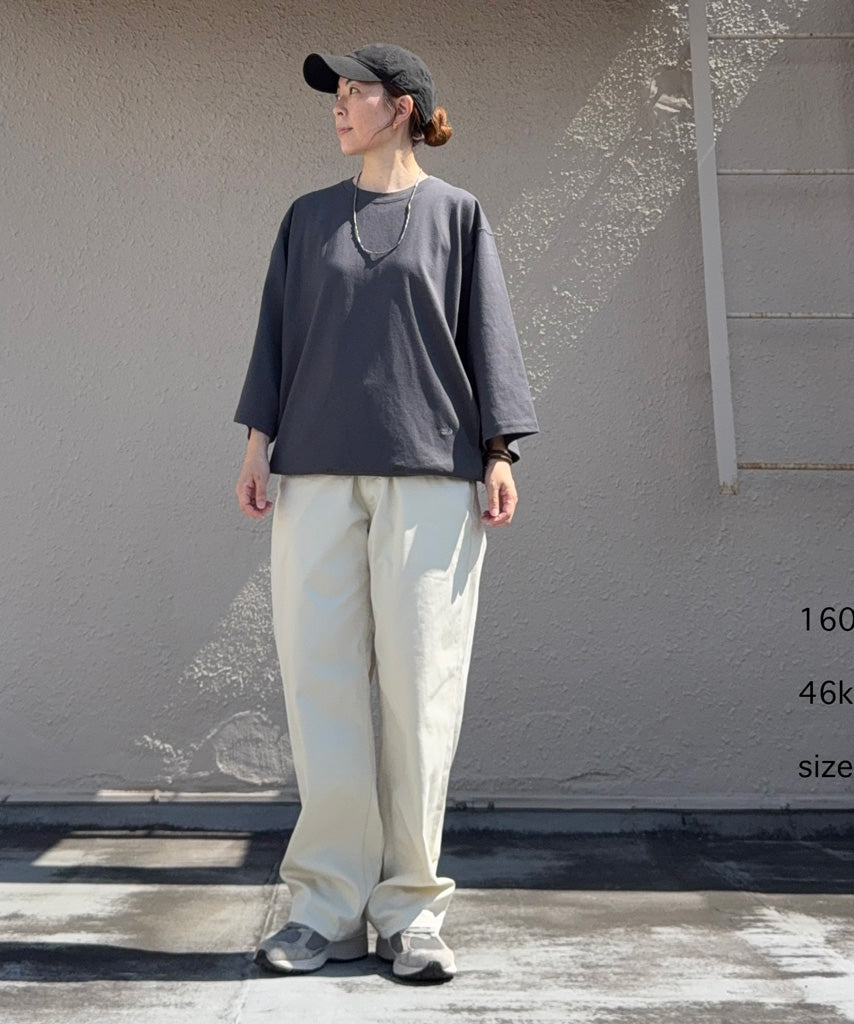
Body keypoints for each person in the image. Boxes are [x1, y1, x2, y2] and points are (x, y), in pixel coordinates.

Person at [233, 43, 539, 983]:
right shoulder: (307, 217)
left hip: (432, 476)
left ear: (402, 106)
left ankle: (412, 912)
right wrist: (257, 443)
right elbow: (277, 333)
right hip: (315, 473)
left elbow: (487, 334)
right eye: (334, 94)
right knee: (321, 689)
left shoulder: (458, 215)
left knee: (420, 694)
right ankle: (323, 906)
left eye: (354, 92)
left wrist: (499, 451)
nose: (338, 106)